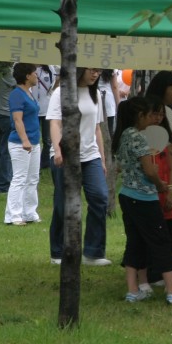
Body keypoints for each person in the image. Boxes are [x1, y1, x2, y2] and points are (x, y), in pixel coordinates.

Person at [113, 97, 172, 305]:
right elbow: (149, 170)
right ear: (140, 116)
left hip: (127, 195)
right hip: (144, 197)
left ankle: (133, 290)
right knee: (161, 242)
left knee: (135, 241)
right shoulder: (140, 138)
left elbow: (123, 166)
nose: (153, 119)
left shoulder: (124, 135)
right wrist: (160, 183)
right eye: (150, 115)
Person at [48, 67, 110, 266]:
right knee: (62, 205)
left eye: (99, 72)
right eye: (92, 70)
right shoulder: (62, 92)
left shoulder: (96, 94)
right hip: (66, 155)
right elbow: (55, 123)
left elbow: (97, 128)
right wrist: (58, 151)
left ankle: (93, 252)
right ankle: (57, 252)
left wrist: (101, 158)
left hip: (90, 156)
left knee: (100, 198)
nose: (96, 75)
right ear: (81, 68)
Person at [145, 72, 172, 280]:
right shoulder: (146, 113)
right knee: (157, 233)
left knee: (171, 233)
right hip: (150, 182)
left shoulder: (169, 113)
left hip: (165, 180)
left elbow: (167, 143)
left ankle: (165, 275)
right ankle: (154, 275)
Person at [4, 63, 41, 226]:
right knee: (19, 178)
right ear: (27, 76)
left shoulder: (30, 93)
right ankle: (13, 215)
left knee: (33, 178)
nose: (37, 76)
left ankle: (29, 212)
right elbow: (17, 119)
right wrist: (25, 140)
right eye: (34, 73)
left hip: (34, 142)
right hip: (20, 143)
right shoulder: (17, 94)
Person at [0, 70, 17, 193]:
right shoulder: (9, 74)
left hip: (1, 113)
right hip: (7, 115)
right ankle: (4, 185)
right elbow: (23, 83)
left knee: (0, 150)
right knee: (6, 150)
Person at [32, 65, 57, 169]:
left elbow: (53, 87)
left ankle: (44, 163)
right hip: (33, 108)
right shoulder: (30, 68)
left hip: (47, 109)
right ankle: (34, 162)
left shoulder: (50, 69)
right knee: (34, 137)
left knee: (47, 139)